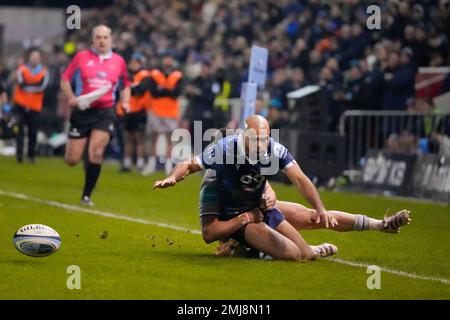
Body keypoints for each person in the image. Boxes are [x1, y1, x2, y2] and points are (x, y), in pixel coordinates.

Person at [154, 115, 340, 261]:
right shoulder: (222, 156)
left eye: (264, 138)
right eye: (255, 139)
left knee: (305, 248)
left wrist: (320, 207)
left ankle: (362, 226)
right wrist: (172, 177)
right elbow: (188, 165)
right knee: (293, 254)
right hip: (241, 217)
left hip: (260, 210)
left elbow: (300, 179)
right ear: (244, 136)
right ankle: (249, 248)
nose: (260, 144)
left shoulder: (273, 150)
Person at [60, 25, 131, 206]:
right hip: (83, 110)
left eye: (105, 37)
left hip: (105, 111)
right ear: (92, 40)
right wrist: (71, 97)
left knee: (97, 152)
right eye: (98, 37)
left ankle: (86, 196)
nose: (101, 40)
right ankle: (83, 154)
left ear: (111, 40)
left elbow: (126, 85)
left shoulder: (119, 61)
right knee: (72, 160)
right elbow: (65, 79)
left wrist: (126, 102)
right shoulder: (81, 57)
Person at [142, 53, 183, 176]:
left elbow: (177, 93)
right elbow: (153, 92)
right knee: (153, 138)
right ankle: (152, 163)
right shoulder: (154, 73)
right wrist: (168, 90)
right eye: (166, 58)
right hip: (156, 110)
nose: (167, 61)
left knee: (169, 140)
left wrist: (163, 89)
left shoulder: (177, 74)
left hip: (170, 111)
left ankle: (168, 165)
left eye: (169, 58)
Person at [12, 48, 49, 163]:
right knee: (19, 131)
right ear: (29, 57)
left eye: (37, 57)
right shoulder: (22, 69)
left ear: (40, 59)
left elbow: (42, 87)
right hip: (20, 105)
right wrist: (32, 87)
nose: (34, 59)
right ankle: (19, 154)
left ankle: (31, 155)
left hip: (35, 106)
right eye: (33, 57)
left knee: (33, 132)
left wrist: (28, 87)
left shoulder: (44, 71)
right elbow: (21, 84)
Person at [116, 53, 151, 172]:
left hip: (140, 110)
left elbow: (140, 91)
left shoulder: (144, 75)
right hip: (128, 109)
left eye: (136, 62)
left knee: (139, 138)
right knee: (127, 137)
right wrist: (132, 87)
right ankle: (127, 163)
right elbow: (122, 88)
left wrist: (131, 87)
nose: (133, 65)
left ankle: (140, 162)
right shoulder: (127, 75)